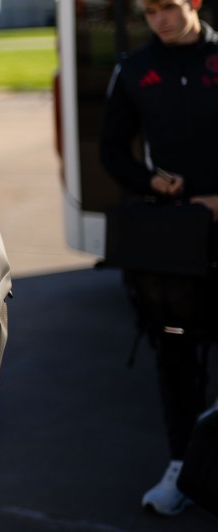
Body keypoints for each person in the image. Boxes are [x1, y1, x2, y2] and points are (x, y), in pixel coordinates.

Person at [99, 0, 218, 517]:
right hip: (172, 239)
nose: (160, 19)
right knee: (174, 354)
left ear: (192, 2)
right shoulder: (133, 68)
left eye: (168, 6)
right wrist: (151, 183)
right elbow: (110, 151)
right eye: (149, 11)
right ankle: (182, 467)